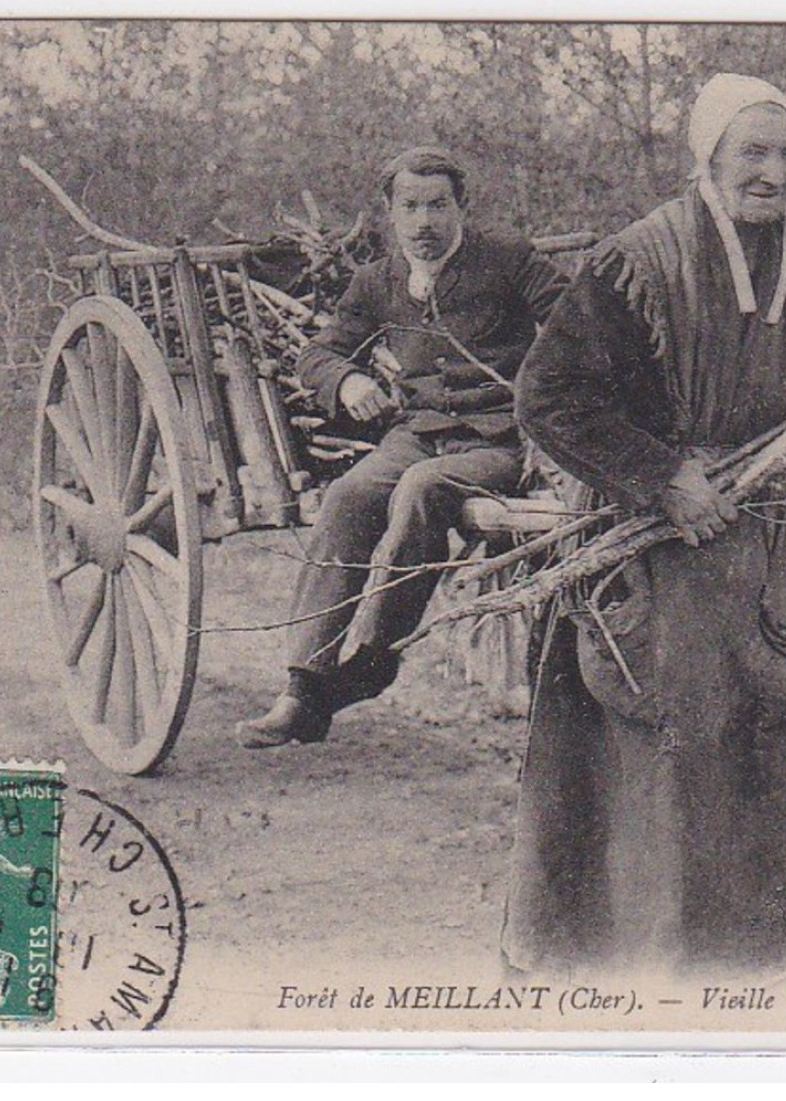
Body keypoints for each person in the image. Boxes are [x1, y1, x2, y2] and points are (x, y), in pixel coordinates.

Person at [504, 75, 786, 973]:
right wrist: (663, 475)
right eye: (753, 152)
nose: (772, 172)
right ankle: (619, 980)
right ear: (707, 159)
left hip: (763, 585)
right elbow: (547, 397)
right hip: (646, 566)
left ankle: (743, 975)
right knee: (649, 771)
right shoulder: (639, 262)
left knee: (768, 764)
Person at [237, 146, 569, 749]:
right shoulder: (379, 281)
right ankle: (304, 689)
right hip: (415, 434)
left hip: (498, 439)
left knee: (425, 489)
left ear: (462, 208)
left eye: (438, 206)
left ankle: (375, 658)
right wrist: (348, 379)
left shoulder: (508, 260)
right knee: (350, 494)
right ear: (389, 213)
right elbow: (319, 353)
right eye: (410, 207)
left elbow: (577, 321)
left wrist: (543, 387)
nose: (425, 223)